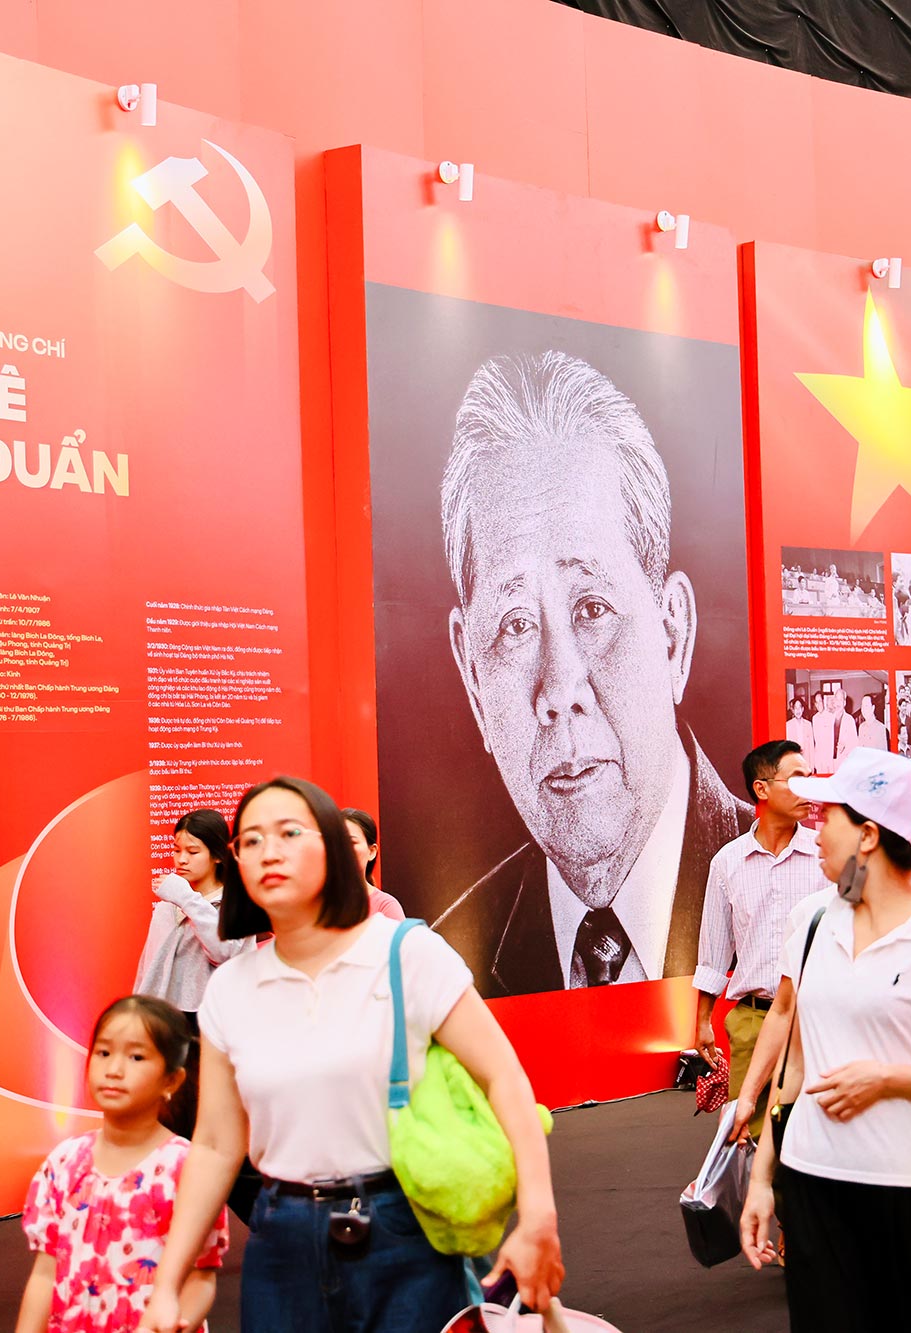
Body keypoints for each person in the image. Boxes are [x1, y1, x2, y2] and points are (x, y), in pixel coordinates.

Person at [139, 776, 563, 1332]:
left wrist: (538, 1217)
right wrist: (166, 1284)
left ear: (334, 850)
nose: (270, 850)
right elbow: (217, 1146)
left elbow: (503, 1077)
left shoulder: (406, 953)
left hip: (401, 1232)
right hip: (281, 1240)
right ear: (236, 862)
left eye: (289, 832)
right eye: (252, 840)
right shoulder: (231, 990)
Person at [433, 351, 752, 996]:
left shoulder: (791, 886)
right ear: (472, 676)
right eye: (516, 624)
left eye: (592, 608)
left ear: (672, 634)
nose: (558, 690)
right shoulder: (448, 960)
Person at [738, 748, 911, 1331]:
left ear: (867, 835)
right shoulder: (813, 921)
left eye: (828, 818)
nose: (814, 832)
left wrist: (897, 1080)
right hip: (813, 1184)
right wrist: (764, 1178)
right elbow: (795, 1065)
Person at [16, 996, 227, 1333]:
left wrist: (172, 1324)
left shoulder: (185, 1167)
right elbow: (45, 1273)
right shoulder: (66, 1161)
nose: (113, 1069)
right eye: (103, 1053)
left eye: (136, 1056)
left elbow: (202, 1277)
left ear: (172, 1081)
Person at [693, 740, 829, 1130]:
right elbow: (714, 950)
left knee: (813, 1135)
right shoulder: (728, 862)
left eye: (811, 777)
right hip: (752, 1021)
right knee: (747, 1135)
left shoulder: (825, 854)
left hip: (816, 1020)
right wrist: (703, 1021)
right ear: (762, 788)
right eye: (797, 778)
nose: (809, 788)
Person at [136, 809, 254, 1021]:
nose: (181, 859)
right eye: (176, 850)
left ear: (217, 855)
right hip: (160, 1019)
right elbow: (147, 967)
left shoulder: (236, 905)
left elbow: (223, 953)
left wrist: (186, 898)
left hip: (213, 1022)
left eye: (192, 852)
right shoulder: (167, 906)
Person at [342, 807, 407, 922]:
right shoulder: (315, 904)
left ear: (372, 851)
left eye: (351, 842)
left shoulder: (385, 907)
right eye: (337, 841)